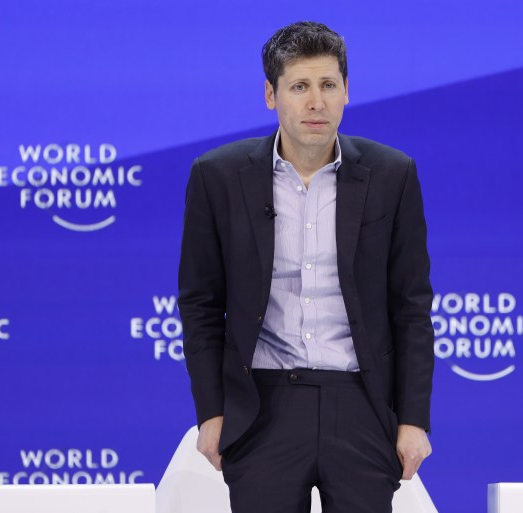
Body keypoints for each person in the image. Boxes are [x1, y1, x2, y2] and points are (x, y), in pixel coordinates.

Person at [178, 21, 434, 513]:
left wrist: (413, 420)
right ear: (271, 95)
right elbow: (200, 304)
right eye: (299, 87)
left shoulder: (392, 174)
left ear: (345, 92)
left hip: (362, 404)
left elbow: (411, 307)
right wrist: (212, 413)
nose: (316, 102)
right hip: (263, 407)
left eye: (327, 85)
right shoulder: (217, 176)